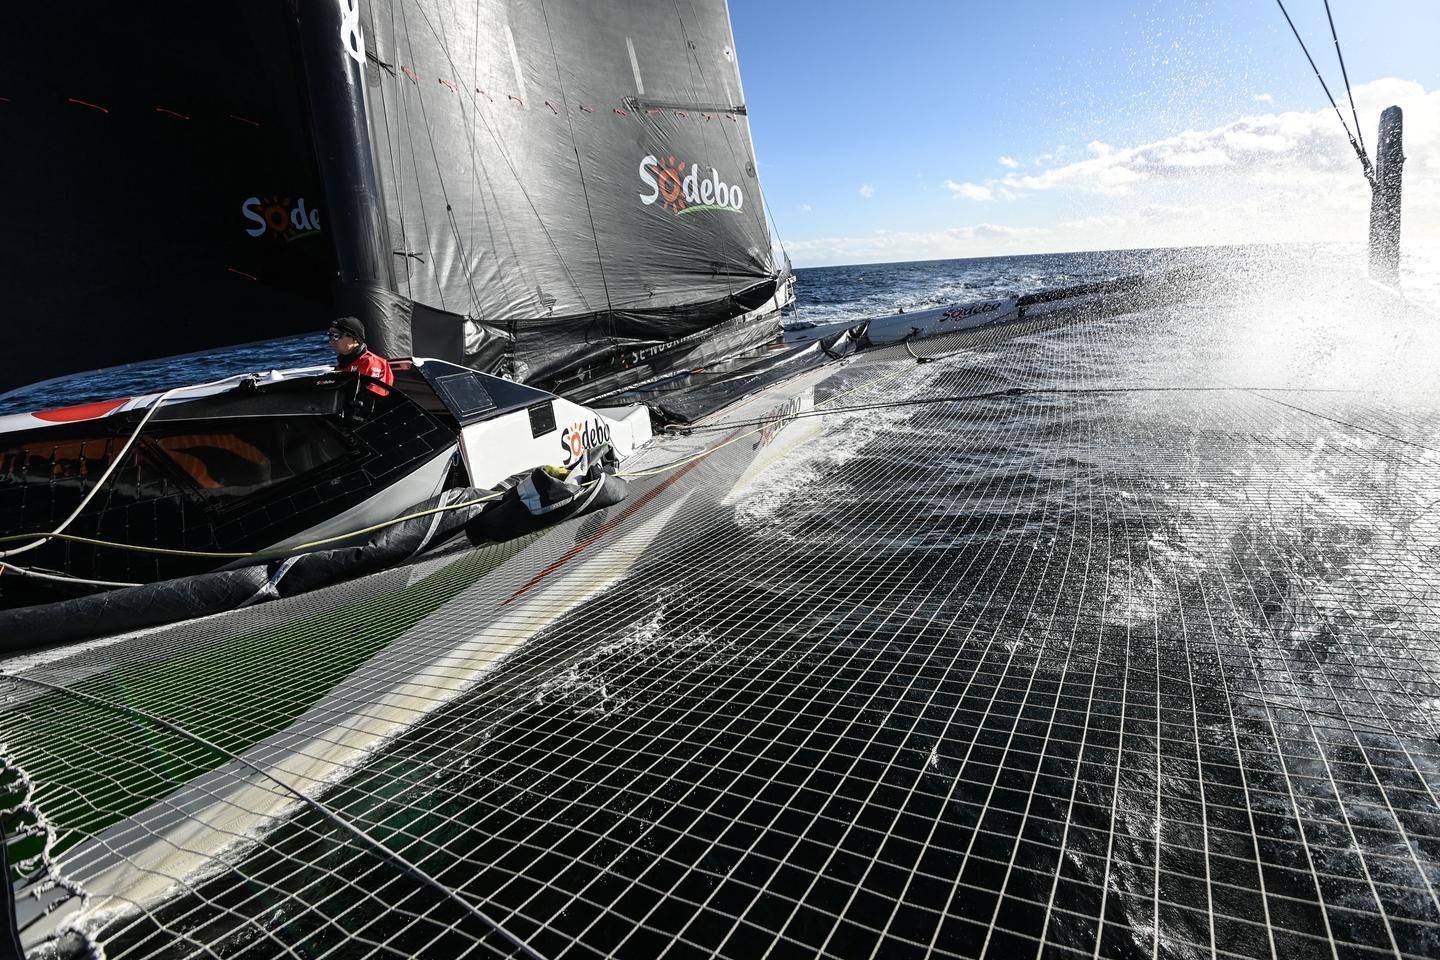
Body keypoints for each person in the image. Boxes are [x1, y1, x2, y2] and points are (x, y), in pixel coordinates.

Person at [328, 316, 393, 394]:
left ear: (354, 338)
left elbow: (374, 399)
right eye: (330, 336)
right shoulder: (342, 364)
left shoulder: (372, 363)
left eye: (336, 336)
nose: (331, 342)